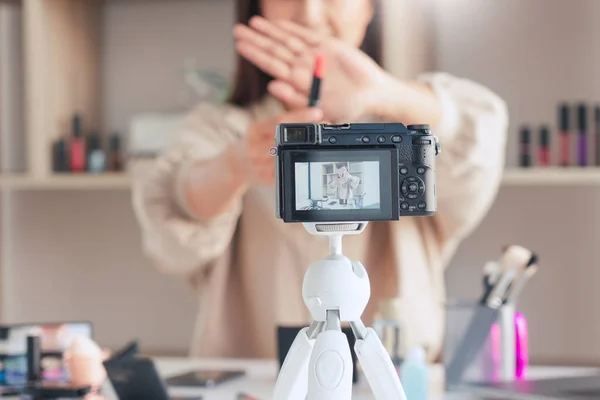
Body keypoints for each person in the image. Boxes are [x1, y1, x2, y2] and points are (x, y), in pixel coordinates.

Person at [132, 0, 508, 361]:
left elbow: (478, 132)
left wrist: (384, 92)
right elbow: (171, 224)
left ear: (369, 8)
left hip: (395, 371)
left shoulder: (406, 125)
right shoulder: (221, 129)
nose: (309, 13)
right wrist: (235, 165)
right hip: (256, 381)